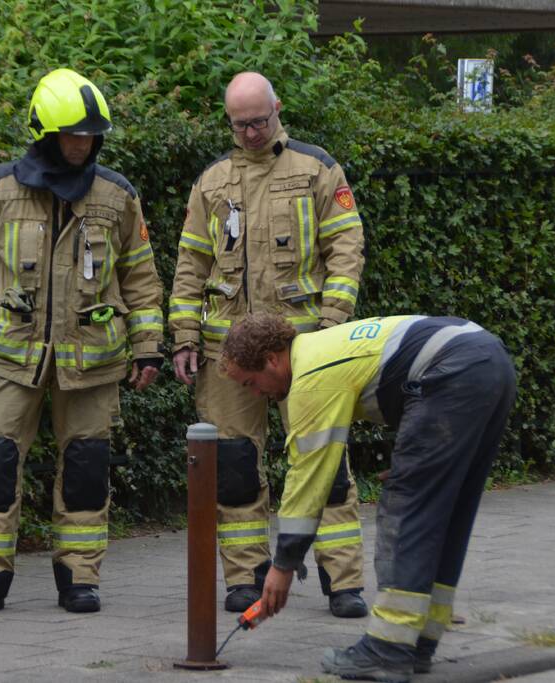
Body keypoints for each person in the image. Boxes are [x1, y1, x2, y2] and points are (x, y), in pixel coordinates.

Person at [0, 68, 164, 616]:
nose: (82, 144)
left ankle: (79, 578)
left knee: (87, 469)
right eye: (71, 134)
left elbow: (140, 277)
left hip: (91, 360)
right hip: (9, 355)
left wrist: (148, 345)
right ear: (44, 133)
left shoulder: (117, 195)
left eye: (89, 135)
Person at [220, 312, 516, 683]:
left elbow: (309, 478)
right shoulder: (325, 347)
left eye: (251, 382)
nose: (255, 394)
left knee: (406, 510)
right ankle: (419, 641)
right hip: (489, 361)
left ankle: (388, 650)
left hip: (453, 370)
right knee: (448, 509)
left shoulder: (310, 377)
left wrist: (282, 566)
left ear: (271, 359)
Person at [168, 72, 368, 617]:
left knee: (325, 462)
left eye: (259, 121)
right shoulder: (212, 182)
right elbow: (190, 264)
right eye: (240, 124)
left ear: (277, 108)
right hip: (227, 355)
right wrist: (184, 335)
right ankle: (245, 578)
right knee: (234, 466)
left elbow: (346, 247)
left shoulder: (317, 169)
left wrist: (332, 323)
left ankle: (344, 581)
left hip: (306, 349)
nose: (251, 132)